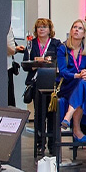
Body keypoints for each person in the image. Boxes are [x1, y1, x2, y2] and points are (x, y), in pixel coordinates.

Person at [16, 18, 63, 152]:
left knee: (52, 115)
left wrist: (46, 62)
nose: (41, 29)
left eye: (44, 27)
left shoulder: (56, 44)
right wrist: (37, 63)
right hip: (37, 83)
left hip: (52, 83)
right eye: (39, 27)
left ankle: (53, 145)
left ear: (50, 29)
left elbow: (59, 61)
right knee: (39, 115)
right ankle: (39, 145)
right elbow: (25, 64)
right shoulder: (31, 44)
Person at [58, 20, 86, 146]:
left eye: (80, 28)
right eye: (74, 27)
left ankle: (68, 117)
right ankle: (77, 130)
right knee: (82, 85)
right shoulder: (63, 48)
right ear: (71, 31)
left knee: (84, 83)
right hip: (68, 85)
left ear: (84, 33)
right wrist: (77, 75)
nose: (76, 30)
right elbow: (63, 72)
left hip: (83, 84)